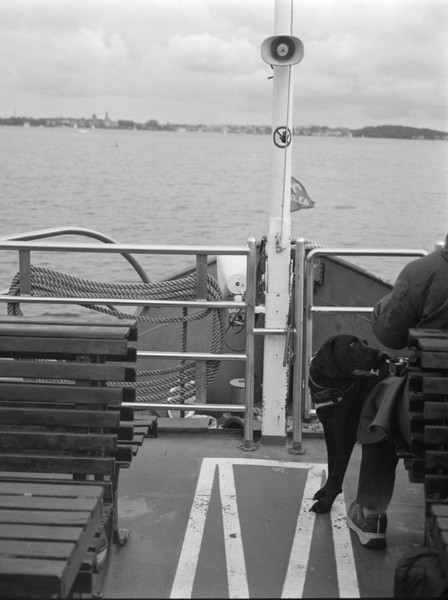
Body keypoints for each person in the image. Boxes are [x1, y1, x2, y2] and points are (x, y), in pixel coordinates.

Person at [347, 235, 448, 549]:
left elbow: (390, 336)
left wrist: (382, 309)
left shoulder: (424, 272)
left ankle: (370, 513)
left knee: (382, 402)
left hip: (437, 415)